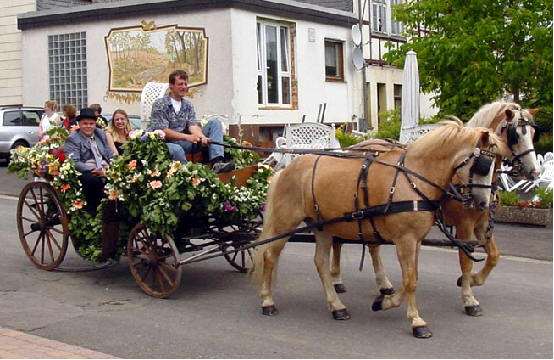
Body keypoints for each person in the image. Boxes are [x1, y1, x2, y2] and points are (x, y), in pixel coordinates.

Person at [149, 69, 233, 172]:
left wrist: (202, 137)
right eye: (180, 84)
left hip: (186, 142)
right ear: (171, 86)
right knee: (177, 149)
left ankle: (217, 163)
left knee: (215, 123)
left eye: (185, 84)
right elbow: (163, 131)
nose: (184, 87)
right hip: (167, 143)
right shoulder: (160, 104)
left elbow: (192, 125)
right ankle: (188, 177)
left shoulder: (187, 105)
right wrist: (188, 137)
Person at [64, 108, 113, 216]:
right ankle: (92, 210)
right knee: (93, 180)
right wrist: (92, 170)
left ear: (95, 124)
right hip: (87, 169)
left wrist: (114, 164)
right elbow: (74, 161)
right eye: (85, 123)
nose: (88, 126)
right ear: (79, 124)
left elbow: (108, 152)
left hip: (103, 166)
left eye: (91, 123)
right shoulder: (73, 138)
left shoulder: (100, 134)